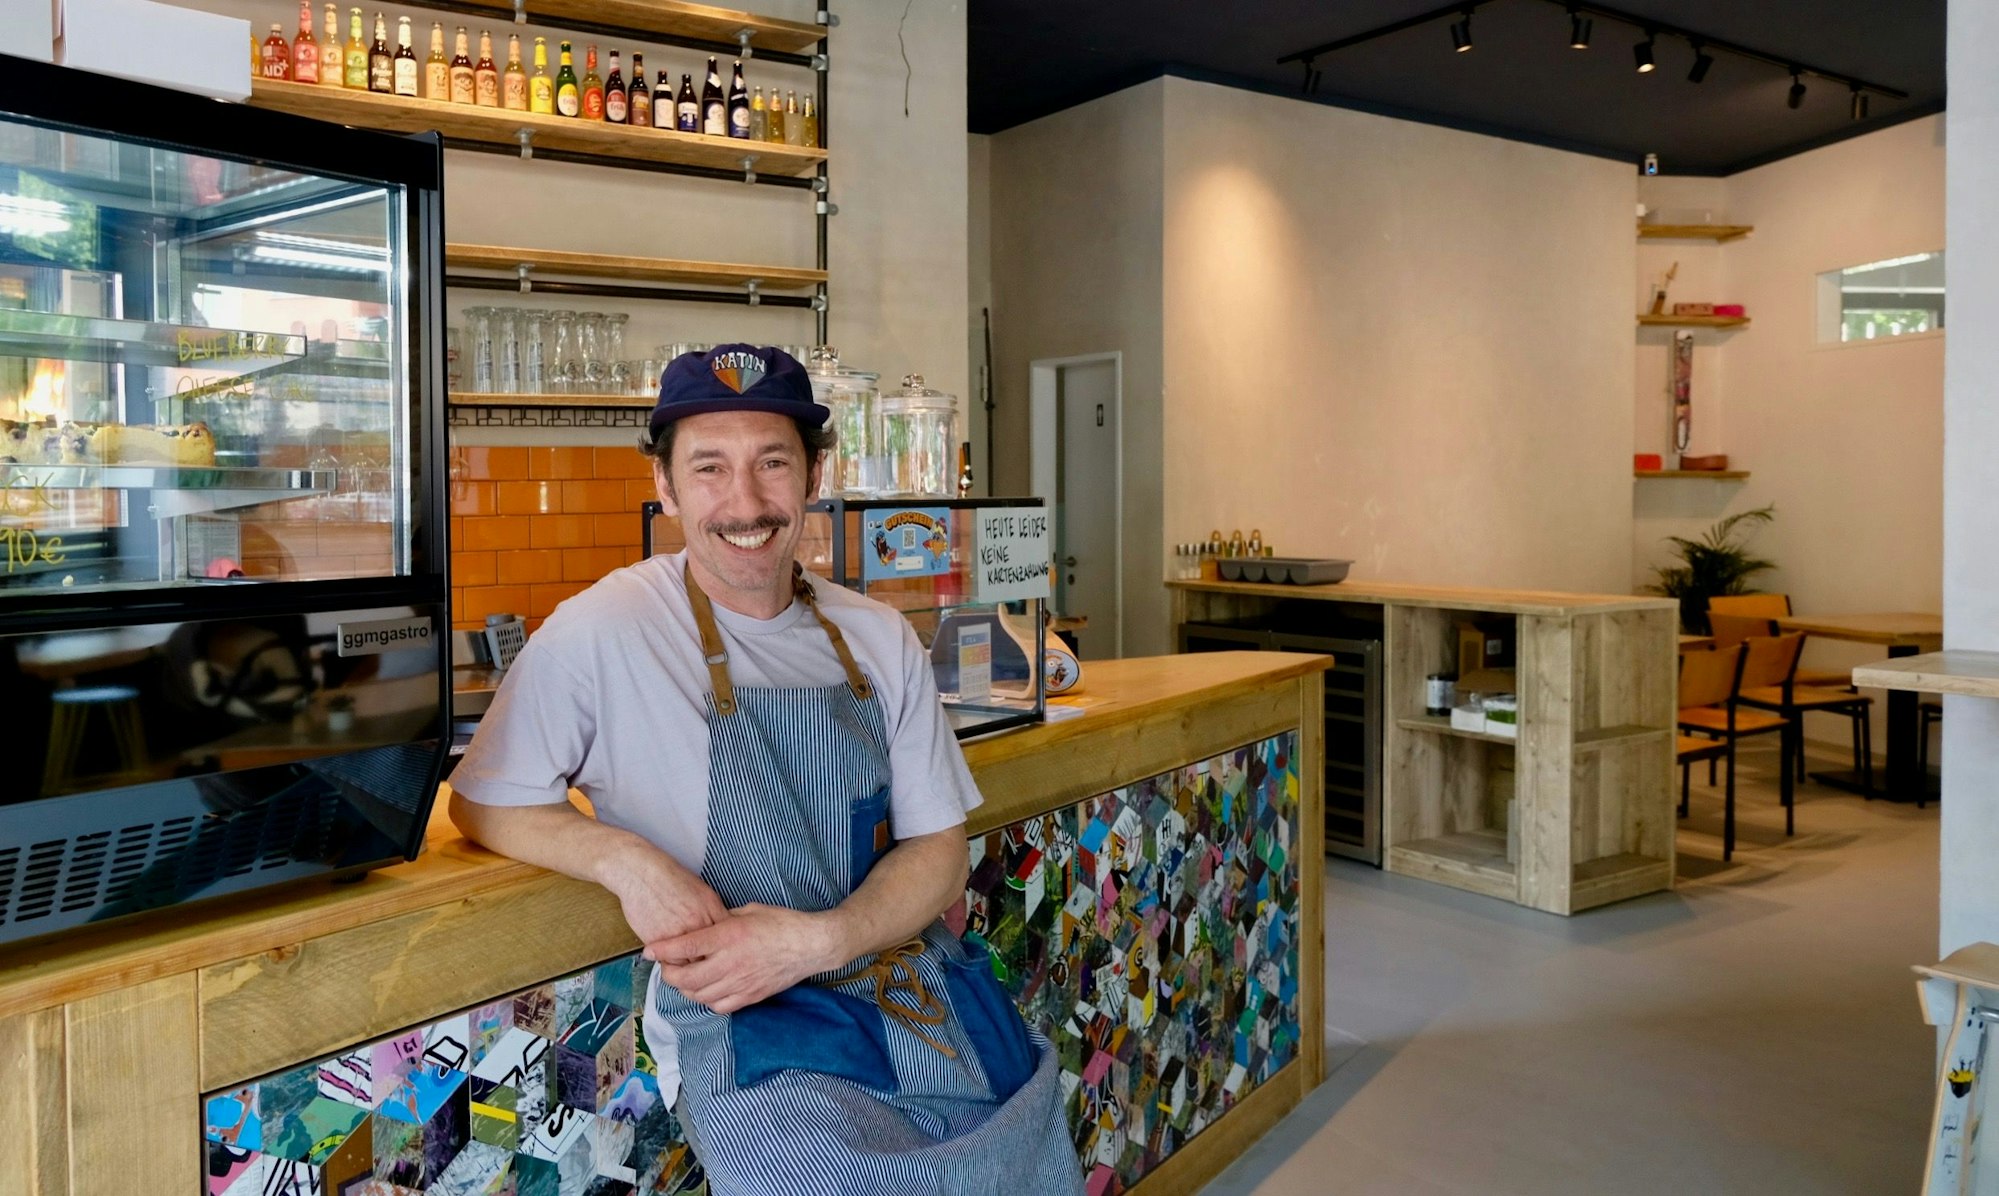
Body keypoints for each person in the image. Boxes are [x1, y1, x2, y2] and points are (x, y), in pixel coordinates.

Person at [449, 344, 1084, 1195]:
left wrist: (818, 941)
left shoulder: (877, 636)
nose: (745, 503)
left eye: (772, 463)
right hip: (748, 1026)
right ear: (666, 485)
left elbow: (938, 851)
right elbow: (482, 799)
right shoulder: (603, 629)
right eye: (709, 467)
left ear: (814, 475)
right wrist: (625, 861)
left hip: (906, 985)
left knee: (1028, 1158)